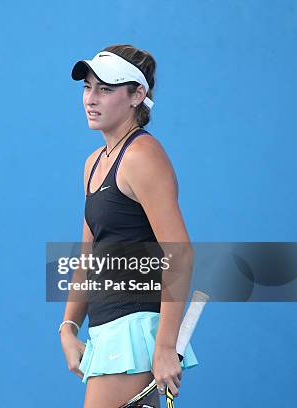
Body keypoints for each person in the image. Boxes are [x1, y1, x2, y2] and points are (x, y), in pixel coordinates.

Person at [59, 45, 198, 407]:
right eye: (87, 87)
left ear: (138, 95)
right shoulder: (93, 164)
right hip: (106, 332)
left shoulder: (142, 156)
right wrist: (69, 327)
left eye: (105, 89)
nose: (91, 98)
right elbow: (90, 256)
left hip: (135, 332)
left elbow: (179, 254)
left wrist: (165, 346)